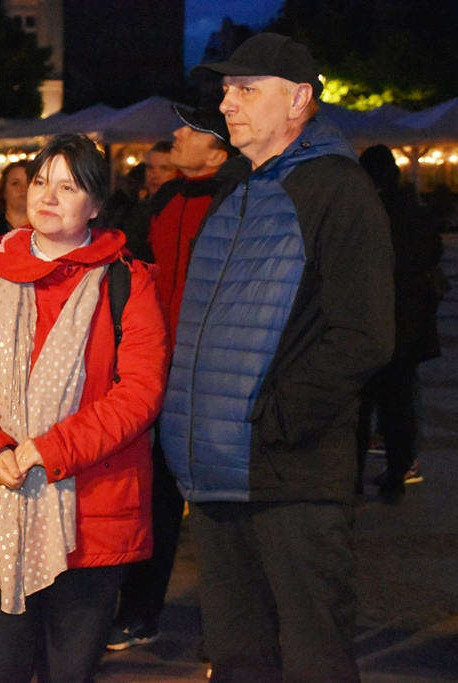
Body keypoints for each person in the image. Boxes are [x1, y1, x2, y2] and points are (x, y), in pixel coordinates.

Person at [161, 34, 395, 680]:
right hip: (216, 473)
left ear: (298, 100)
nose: (227, 104)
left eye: (246, 89)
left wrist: (277, 419)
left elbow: (364, 334)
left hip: (290, 475)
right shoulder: (235, 187)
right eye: (226, 90)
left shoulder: (337, 191)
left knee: (315, 656)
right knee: (238, 655)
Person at [0, 133, 169, 682]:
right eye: (41, 181)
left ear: (96, 203)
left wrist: (50, 449)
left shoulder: (125, 281)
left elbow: (139, 392)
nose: (48, 196)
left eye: (69, 186)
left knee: (70, 669)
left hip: (91, 510)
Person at [108, 104, 237, 652]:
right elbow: (126, 260)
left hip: (215, 384)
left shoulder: (239, 198)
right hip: (158, 378)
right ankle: (140, 612)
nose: (178, 134)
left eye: (193, 129)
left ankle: (230, 632)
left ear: (218, 151)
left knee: (220, 513)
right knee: (154, 501)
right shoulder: (163, 200)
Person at [356, 144, 443, 503]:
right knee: (399, 406)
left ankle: (353, 481)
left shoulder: (361, 213)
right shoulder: (412, 212)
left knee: (360, 407)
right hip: (405, 324)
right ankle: (396, 476)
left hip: (366, 321)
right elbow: (432, 255)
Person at [119, 141, 177, 260]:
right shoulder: (132, 212)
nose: (155, 175)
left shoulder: (179, 213)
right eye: (150, 168)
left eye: (164, 168)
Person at [0, 159, 29, 235]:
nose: (23, 189)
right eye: (15, 183)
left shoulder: (47, 229)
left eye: (29, 183)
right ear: (3, 190)